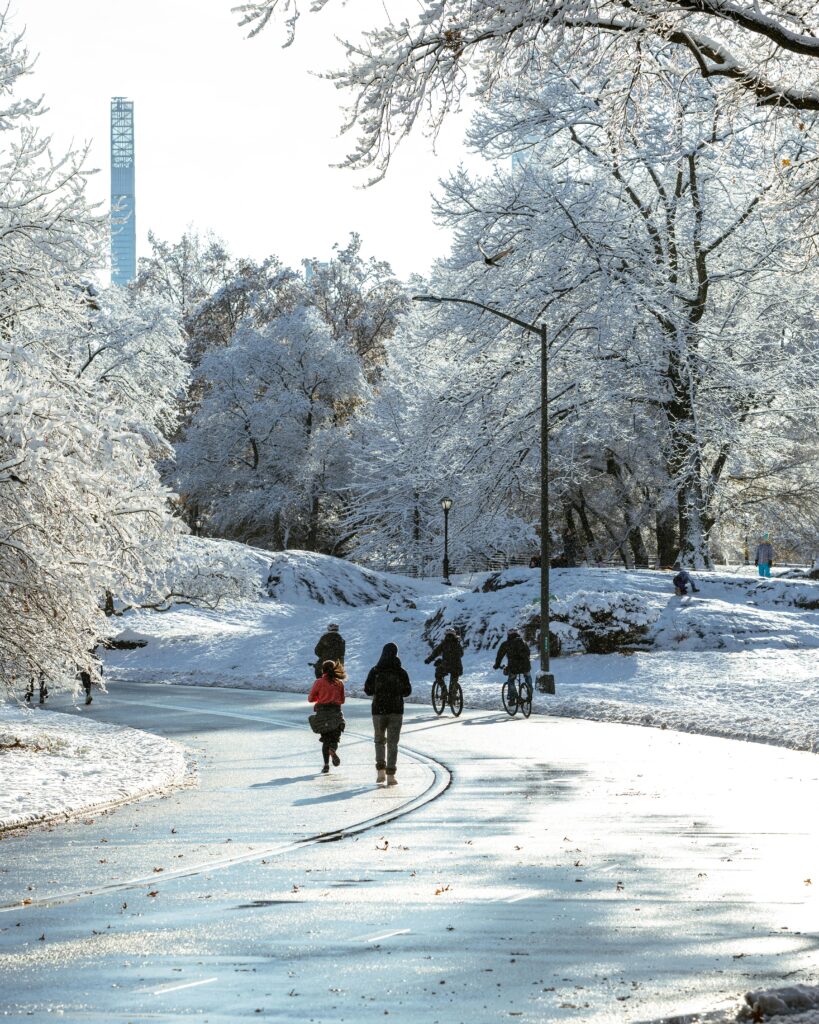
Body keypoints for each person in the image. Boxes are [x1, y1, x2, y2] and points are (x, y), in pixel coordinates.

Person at [363, 642, 412, 786]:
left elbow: (367, 690)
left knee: (379, 741)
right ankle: (391, 774)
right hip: (396, 710)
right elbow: (407, 691)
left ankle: (380, 771)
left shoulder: (375, 670)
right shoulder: (401, 672)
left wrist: (379, 691)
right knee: (393, 743)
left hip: (378, 710)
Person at [307, 660, 346, 774]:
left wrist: (320, 697)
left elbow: (310, 698)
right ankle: (332, 750)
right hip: (336, 714)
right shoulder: (339, 683)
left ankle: (326, 765)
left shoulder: (319, 682)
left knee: (326, 740)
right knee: (334, 739)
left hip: (323, 714)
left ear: (323, 670)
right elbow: (342, 700)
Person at [493, 629, 532, 701]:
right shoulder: (523, 642)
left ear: (508, 635)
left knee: (511, 680)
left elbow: (500, 656)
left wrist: (497, 665)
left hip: (514, 667)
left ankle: (515, 697)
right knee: (528, 677)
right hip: (525, 665)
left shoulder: (506, 644)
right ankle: (530, 693)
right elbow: (528, 653)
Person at [424, 628, 463, 696]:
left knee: (438, 675)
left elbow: (435, 653)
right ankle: (453, 694)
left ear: (446, 635)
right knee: (454, 680)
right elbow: (461, 654)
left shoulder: (444, 644)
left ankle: (443, 689)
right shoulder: (457, 643)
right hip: (457, 666)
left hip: (446, 666)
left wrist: (428, 660)